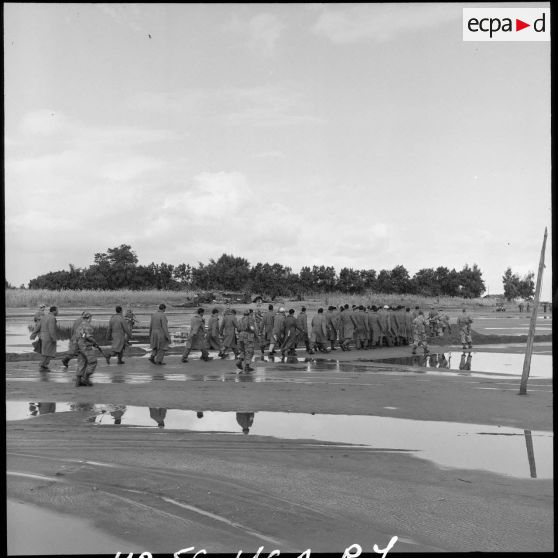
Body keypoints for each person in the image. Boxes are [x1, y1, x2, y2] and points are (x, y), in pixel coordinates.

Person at [75, 312, 100, 387]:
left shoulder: (79, 326)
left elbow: (76, 337)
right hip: (86, 347)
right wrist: (95, 343)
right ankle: (86, 378)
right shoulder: (88, 326)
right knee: (93, 362)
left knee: (81, 363)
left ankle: (78, 381)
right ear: (89, 318)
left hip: (79, 347)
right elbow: (89, 337)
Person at [30, 305, 58, 371]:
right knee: (49, 352)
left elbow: (38, 326)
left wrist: (33, 334)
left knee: (45, 352)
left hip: (43, 337)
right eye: (57, 311)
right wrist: (53, 337)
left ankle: (44, 365)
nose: (58, 312)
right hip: (49, 338)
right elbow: (51, 329)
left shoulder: (44, 316)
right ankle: (43, 365)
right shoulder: (52, 318)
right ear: (54, 311)